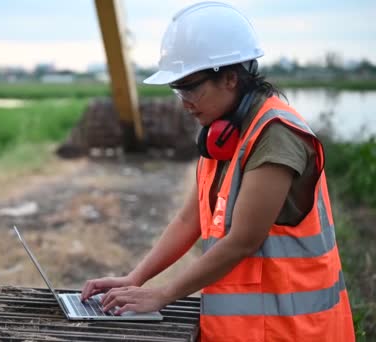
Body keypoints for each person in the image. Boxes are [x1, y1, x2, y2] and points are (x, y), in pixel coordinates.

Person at [80, 2, 355, 341]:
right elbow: (188, 220)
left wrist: (162, 294)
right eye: (177, 88)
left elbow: (243, 240)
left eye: (191, 87)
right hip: (242, 331)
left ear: (230, 78)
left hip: (291, 331)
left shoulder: (275, 135)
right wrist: (135, 278)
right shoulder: (221, 134)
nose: (184, 101)